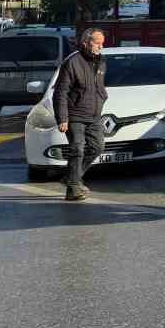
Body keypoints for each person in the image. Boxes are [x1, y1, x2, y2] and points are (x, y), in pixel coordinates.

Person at [55, 28, 109, 201]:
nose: (101, 46)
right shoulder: (72, 62)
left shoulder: (101, 62)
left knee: (97, 147)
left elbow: (99, 87)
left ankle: (72, 177)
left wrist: (102, 96)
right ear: (86, 42)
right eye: (97, 43)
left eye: (102, 43)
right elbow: (61, 92)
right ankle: (73, 190)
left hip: (93, 115)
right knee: (77, 148)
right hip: (75, 115)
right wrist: (62, 118)